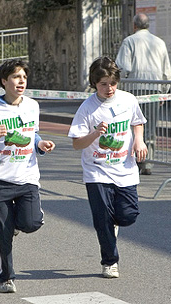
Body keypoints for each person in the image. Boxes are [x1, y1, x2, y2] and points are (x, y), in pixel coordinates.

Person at [0, 59, 55, 293]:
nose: (21, 82)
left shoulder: (32, 106)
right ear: (4, 81)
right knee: (3, 235)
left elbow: (33, 135)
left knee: (31, 222)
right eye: (16, 77)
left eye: (24, 78)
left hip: (27, 176)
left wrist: (41, 144)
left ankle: (19, 223)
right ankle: (5, 278)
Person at [68, 56, 148, 279]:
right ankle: (109, 261)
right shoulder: (87, 109)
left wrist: (139, 140)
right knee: (102, 218)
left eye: (112, 83)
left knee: (127, 216)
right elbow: (76, 143)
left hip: (125, 168)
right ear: (95, 83)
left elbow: (137, 122)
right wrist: (95, 133)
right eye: (103, 84)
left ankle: (112, 223)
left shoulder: (128, 100)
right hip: (97, 170)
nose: (109, 88)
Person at [115, 13, 171, 175]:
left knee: (133, 126)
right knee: (150, 128)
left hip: (134, 90)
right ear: (148, 25)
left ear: (134, 25)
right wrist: (163, 93)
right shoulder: (159, 42)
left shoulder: (129, 41)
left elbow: (123, 67)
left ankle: (135, 160)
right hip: (154, 89)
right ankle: (148, 163)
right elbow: (166, 72)